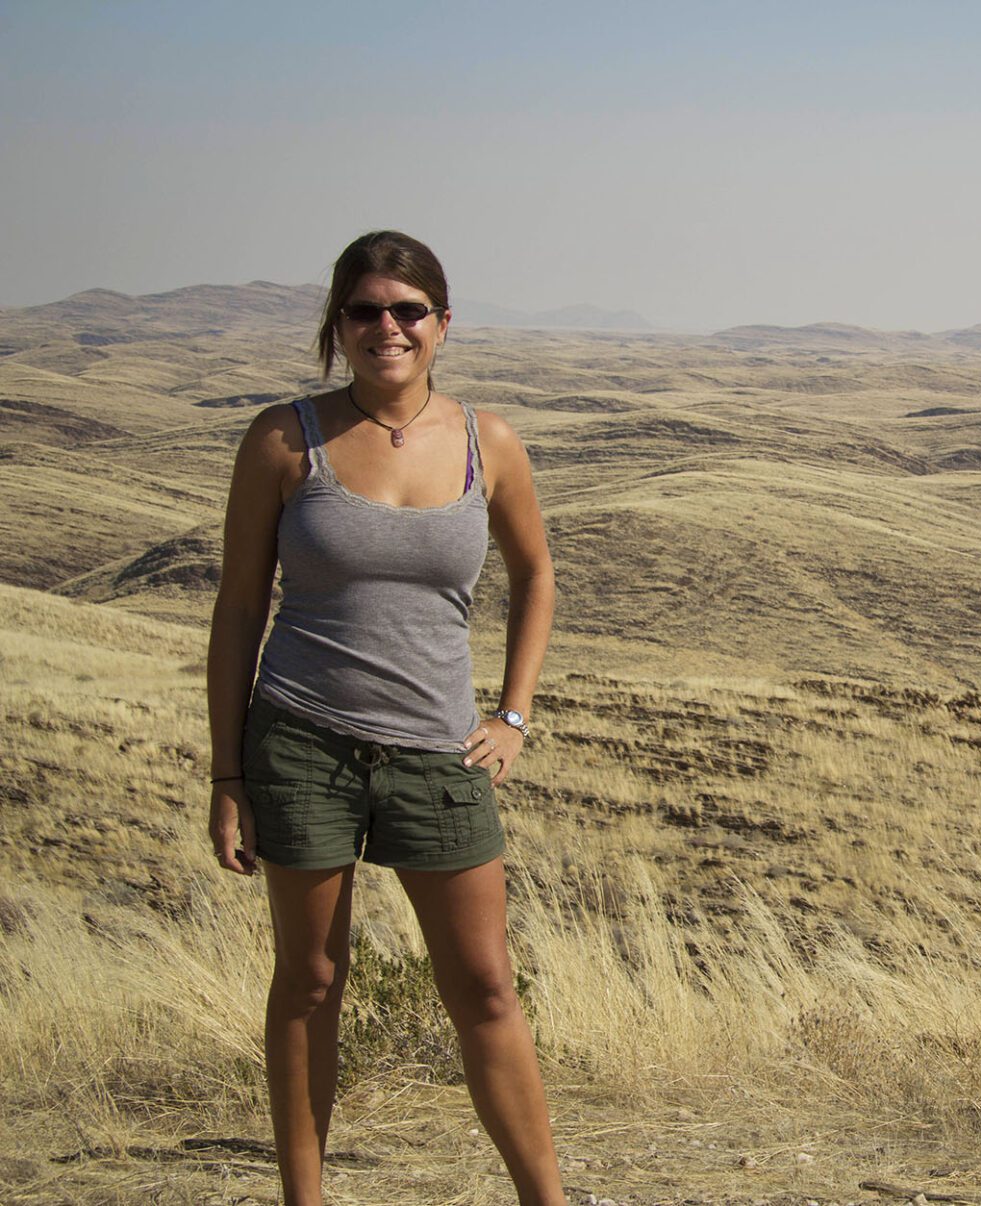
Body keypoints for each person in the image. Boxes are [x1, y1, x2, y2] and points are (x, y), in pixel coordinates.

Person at [205, 230, 563, 1206]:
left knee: (486, 988)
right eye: (365, 310)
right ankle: (305, 1199)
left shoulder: (490, 444)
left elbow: (537, 576)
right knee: (311, 982)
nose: (387, 328)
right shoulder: (285, 441)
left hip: (438, 754)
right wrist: (227, 776)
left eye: (409, 310)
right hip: (300, 740)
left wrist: (516, 716)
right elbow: (240, 607)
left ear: (445, 325)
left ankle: (547, 1199)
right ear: (338, 326)